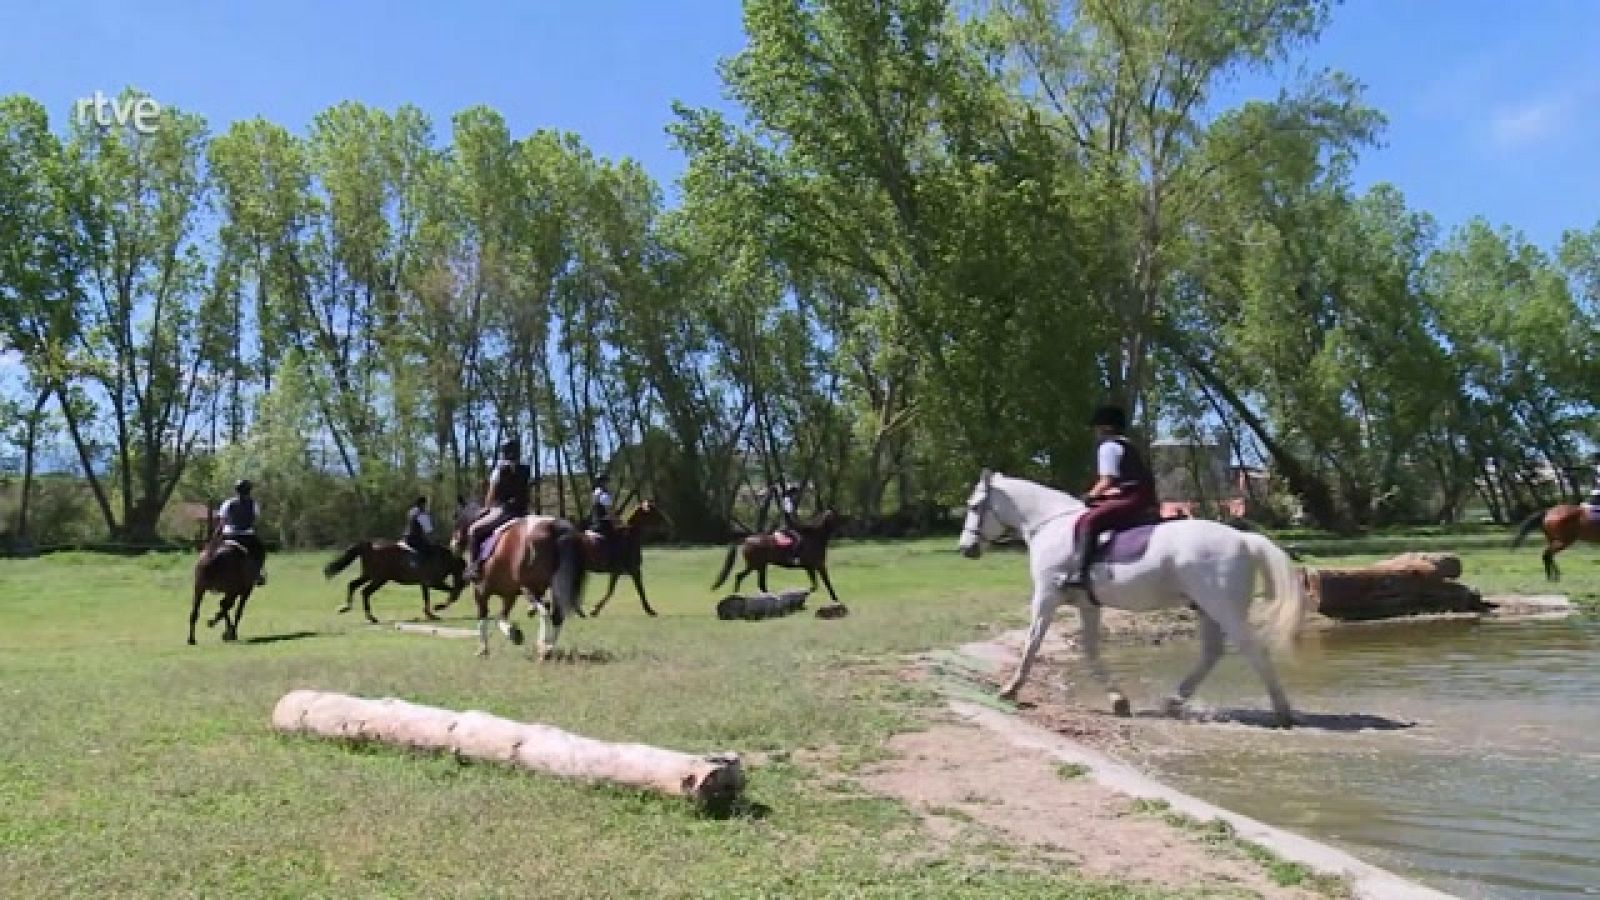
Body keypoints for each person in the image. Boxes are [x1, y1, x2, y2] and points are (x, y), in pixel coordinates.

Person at [1060, 405, 1159, 588]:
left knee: (1088, 520)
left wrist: (1089, 496)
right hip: (1142, 496)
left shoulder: (1108, 447)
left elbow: (1106, 480)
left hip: (1132, 498)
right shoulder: (1128, 445)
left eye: (1097, 428)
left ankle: (1080, 574)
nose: (1095, 432)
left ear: (1106, 427)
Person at [463, 439, 534, 582]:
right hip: (523, 511)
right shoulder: (526, 469)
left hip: (504, 510)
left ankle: (474, 568)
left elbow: (492, 493)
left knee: (474, 530)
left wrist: (487, 508)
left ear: (504, 452)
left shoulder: (499, 469)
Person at [215, 479, 267, 586]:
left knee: (212, 549)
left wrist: (217, 535)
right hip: (246, 535)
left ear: (236, 490)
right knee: (260, 550)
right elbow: (255, 519)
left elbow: (222, 521)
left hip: (228, 534)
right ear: (248, 491)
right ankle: (258, 573)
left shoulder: (227, 503)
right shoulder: (253, 504)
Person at [769, 483, 804, 560]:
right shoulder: (788, 502)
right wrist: (798, 523)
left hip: (787, 525)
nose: (796, 496)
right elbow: (790, 515)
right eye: (795, 493)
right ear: (792, 493)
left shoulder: (787, 501)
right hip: (787, 526)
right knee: (799, 539)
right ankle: (792, 557)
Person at [402, 495, 436, 574]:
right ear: (422, 504)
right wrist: (433, 539)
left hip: (406, 537)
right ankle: (420, 568)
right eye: (425, 504)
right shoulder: (422, 515)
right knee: (428, 550)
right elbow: (429, 530)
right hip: (415, 538)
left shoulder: (411, 511)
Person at [589, 471, 615, 565]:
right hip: (603, 525)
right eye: (606, 482)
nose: (607, 484)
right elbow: (610, 512)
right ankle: (614, 560)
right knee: (617, 537)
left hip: (593, 523)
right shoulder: (605, 496)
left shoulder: (595, 494)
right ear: (603, 483)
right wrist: (616, 520)